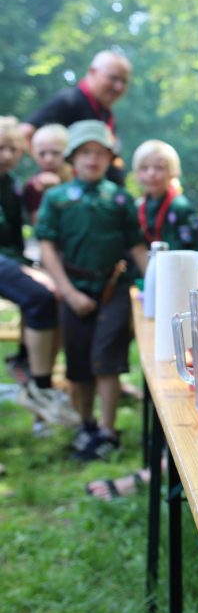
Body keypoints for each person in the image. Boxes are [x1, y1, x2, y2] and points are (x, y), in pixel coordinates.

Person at [36, 120, 148, 460]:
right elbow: (47, 247)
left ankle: (108, 431)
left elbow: (137, 247)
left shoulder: (119, 198)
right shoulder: (56, 198)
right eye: (85, 152)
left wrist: (156, 288)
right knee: (79, 363)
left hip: (113, 289)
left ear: (109, 158)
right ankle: (85, 424)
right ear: (72, 157)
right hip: (74, 289)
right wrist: (68, 293)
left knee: (108, 360)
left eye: (100, 153)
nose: (92, 159)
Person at [0, 117, 77, 432]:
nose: (5, 155)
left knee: (51, 295)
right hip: (7, 261)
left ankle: (33, 372)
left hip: (13, 258)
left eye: (11, 149)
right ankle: (40, 386)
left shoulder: (11, 184)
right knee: (41, 295)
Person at [21, 51, 131, 185]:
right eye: (113, 78)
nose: (118, 86)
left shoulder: (106, 113)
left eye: (124, 81)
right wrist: (53, 168)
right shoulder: (70, 101)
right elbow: (24, 133)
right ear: (93, 72)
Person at [131, 140, 198, 252]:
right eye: (144, 168)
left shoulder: (181, 207)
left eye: (159, 168)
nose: (151, 174)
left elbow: (197, 246)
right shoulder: (137, 207)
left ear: (172, 172)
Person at [23, 124, 72, 224]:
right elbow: (40, 225)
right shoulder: (33, 186)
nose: (48, 159)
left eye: (55, 153)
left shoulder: (81, 178)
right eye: (42, 153)